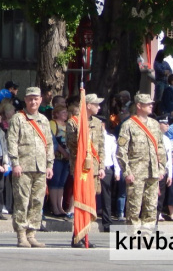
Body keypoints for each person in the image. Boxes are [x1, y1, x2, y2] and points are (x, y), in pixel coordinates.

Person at [7, 86, 54, 248]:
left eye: (36, 99)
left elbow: (49, 143)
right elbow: (12, 142)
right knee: (22, 201)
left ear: (40, 100)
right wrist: (15, 163)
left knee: (37, 201)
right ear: (25, 100)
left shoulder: (44, 120)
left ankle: (32, 233)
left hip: (40, 167)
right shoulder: (18, 119)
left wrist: (49, 165)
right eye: (30, 99)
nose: (33, 101)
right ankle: (21, 234)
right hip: (23, 167)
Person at [116, 93, 167, 233]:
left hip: (153, 171)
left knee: (151, 206)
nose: (151, 106)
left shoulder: (155, 124)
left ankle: (147, 234)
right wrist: (126, 172)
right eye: (148, 104)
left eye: (152, 103)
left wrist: (161, 168)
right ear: (139, 105)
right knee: (134, 206)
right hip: (136, 172)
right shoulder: (128, 125)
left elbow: (161, 147)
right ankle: (133, 235)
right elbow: (121, 151)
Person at [66, 93, 105, 247]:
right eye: (96, 104)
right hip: (82, 169)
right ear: (88, 105)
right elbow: (73, 146)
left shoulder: (97, 122)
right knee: (80, 201)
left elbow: (101, 147)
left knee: (90, 202)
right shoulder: (73, 123)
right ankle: (77, 235)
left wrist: (101, 166)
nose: (99, 107)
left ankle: (84, 234)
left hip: (94, 169)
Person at [48, 104, 70, 218]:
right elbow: (53, 141)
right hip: (57, 157)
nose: (65, 114)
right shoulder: (53, 124)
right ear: (56, 114)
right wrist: (63, 152)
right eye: (63, 112)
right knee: (54, 182)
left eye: (66, 112)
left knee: (61, 183)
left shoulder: (67, 125)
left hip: (67, 158)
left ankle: (60, 206)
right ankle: (54, 207)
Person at [100, 120, 120, 232]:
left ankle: (107, 222)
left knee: (106, 196)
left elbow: (115, 155)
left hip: (107, 169)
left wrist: (117, 171)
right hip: (93, 168)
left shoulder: (111, 138)